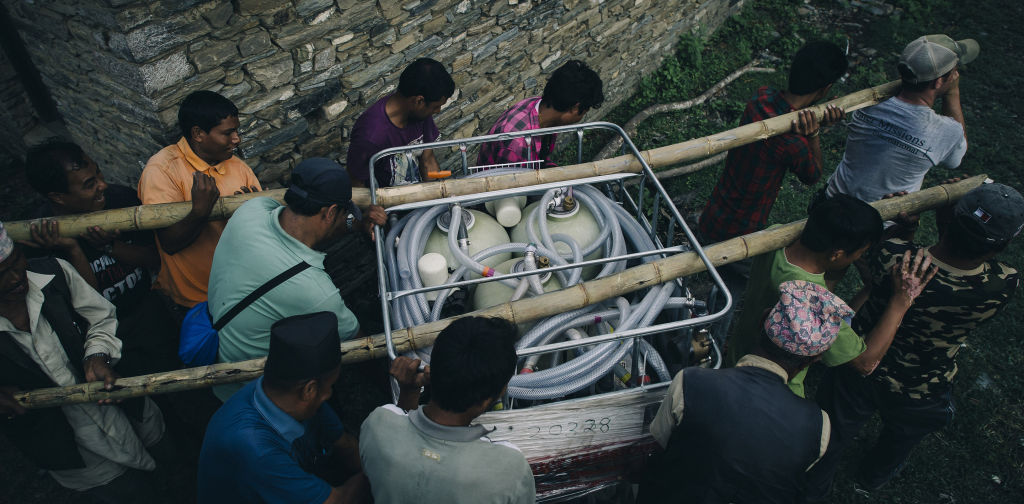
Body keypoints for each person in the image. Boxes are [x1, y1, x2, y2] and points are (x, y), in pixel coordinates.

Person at [807, 183, 1022, 498]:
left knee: (831, 433)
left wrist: (902, 231)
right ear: (1000, 246)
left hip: (862, 365)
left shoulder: (893, 256)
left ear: (948, 220)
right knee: (902, 436)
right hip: (924, 382)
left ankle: (812, 483)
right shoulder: (1004, 281)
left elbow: (874, 272)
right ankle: (872, 478)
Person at [640, 280, 854, 503]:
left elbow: (659, 445)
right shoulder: (819, 426)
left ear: (762, 320)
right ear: (811, 361)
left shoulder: (690, 382)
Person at [0, 221, 168, 503]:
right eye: (1, 275)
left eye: (16, 261)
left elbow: (100, 316)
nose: (16, 277)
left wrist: (97, 355)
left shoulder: (52, 272)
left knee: (172, 466)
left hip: (129, 408)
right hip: (73, 449)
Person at [697, 40, 847, 348]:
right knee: (731, 292)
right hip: (743, 231)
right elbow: (812, 174)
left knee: (709, 276)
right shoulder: (791, 141)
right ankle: (708, 346)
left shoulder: (760, 98)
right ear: (826, 87)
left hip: (717, 211)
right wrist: (815, 134)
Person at [209, 157, 385, 402]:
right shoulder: (314, 291)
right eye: (344, 213)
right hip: (261, 394)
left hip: (215, 358)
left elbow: (319, 227)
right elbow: (360, 341)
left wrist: (354, 224)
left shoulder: (250, 211)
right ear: (331, 212)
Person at [725, 195, 937, 397]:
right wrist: (901, 301)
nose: (860, 258)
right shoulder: (812, 299)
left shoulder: (776, 237)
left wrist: (869, 286)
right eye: (860, 253)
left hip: (741, 356)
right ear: (836, 254)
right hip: (778, 389)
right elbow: (864, 363)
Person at [24, 140, 177, 375]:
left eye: (98, 173)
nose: (103, 185)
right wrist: (73, 249)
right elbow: (89, 306)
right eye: (89, 184)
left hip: (148, 312)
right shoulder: (40, 238)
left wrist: (111, 247)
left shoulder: (120, 202)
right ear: (58, 197)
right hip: (103, 336)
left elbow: (157, 259)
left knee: (176, 371)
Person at [359, 317, 535, 504]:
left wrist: (408, 392)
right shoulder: (509, 469)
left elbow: (400, 436)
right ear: (486, 400)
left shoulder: (377, 425)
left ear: (432, 370)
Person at [197, 312, 368, 504]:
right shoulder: (256, 450)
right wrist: (379, 467)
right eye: (329, 386)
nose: (329, 395)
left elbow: (343, 445)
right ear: (309, 390)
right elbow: (337, 502)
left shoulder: (282, 392)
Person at [138, 90, 262, 317]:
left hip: (245, 289)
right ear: (198, 133)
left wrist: (253, 216)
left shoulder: (238, 167)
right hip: (197, 302)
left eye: (236, 130)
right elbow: (170, 244)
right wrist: (200, 212)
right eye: (228, 133)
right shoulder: (162, 171)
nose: (237, 139)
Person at [825, 35, 978, 203]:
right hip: (880, 223)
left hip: (829, 202)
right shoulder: (946, 131)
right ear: (939, 81)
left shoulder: (866, 104)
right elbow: (954, 161)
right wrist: (953, 92)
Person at [346, 58, 455, 188]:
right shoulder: (371, 134)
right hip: (387, 205)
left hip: (418, 199)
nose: (438, 111)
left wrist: (440, 194)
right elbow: (356, 186)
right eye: (436, 107)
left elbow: (428, 160)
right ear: (419, 101)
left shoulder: (420, 114)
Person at [477, 60, 604, 168]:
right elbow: (517, 190)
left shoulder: (543, 108)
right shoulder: (517, 143)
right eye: (585, 111)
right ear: (575, 108)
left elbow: (540, 162)